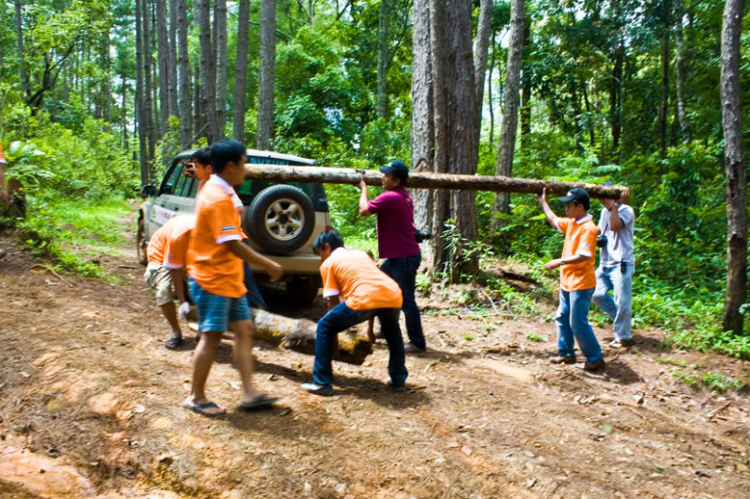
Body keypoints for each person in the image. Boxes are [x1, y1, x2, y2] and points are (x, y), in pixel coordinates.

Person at [183, 140, 284, 417]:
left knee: (244, 330)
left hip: (229, 277)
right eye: (244, 161)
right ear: (231, 165)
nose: (245, 168)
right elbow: (232, 244)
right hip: (212, 279)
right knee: (211, 336)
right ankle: (196, 397)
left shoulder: (222, 193)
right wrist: (268, 264)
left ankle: (250, 394)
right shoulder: (217, 197)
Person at [301, 230, 408, 396]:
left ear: (327, 247)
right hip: (393, 295)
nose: (320, 259)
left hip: (366, 298)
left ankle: (322, 382)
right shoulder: (360, 255)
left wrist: (333, 341)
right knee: (392, 331)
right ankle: (398, 379)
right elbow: (374, 291)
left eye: (320, 254)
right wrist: (370, 330)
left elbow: (333, 303)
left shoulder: (329, 264)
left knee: (324, 325)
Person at [357, 160, 426, 353]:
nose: (382, 178)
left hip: (404, 256)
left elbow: (364, 210)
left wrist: (363, 188)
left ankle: (417, 342)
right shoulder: (403, 196)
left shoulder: (392, 197)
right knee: (380, 289)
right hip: (401, 256)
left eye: (386, 175)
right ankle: (386, 329)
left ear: (396, 181)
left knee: (406, 300)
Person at [189, 148, 268, 310]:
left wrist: (223, 221)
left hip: (235, 239)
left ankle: (262, 315)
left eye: (196, 166)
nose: (193, 170)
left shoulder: (223, 189)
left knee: (246, 283)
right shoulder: (207, 186)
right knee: (236, 286)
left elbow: (239, 208)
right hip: (217, 247)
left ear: (209, 168)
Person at [537, 187, 605, 372]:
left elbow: (583, 255)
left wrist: (558, 262)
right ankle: (566, 353)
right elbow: (554, 221)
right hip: (568, 282)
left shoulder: (589, 228)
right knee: (562, 316)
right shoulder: (572, 223)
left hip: (581, 284)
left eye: (569, 205)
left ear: (580, 206)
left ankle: (595, 358)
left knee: (578, 323)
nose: (566, 209)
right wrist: (543, 201)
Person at [593, 188, 635, 348]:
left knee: (622, 301)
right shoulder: (604, 211)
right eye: (600, 197)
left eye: (605, 196)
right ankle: (621, 320)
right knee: (596, 295)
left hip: (621, 263)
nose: (602, 200)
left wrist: (616, 206)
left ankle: (623, 336)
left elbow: (615, 226)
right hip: (605, 262)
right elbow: (599, 230)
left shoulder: (626, 210)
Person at [145, 214, 195, 349]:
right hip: (161, 256)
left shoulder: (209, 233)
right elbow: (174, 269)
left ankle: (203, 328)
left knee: (200, 289)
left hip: (184, 259)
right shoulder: (179, 235)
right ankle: (176, 333)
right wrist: (182, 301)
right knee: (164, 290)